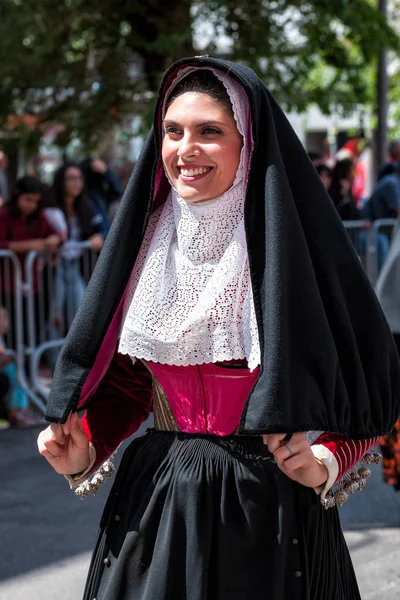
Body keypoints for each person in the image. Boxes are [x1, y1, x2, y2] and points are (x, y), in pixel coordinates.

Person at [37, 58, 400, 600]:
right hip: (158, 501)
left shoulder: (290, 256)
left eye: (210, 132)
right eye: (173, 131)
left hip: (270, 506)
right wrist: (86, 445)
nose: (186, 150)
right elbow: (133, 385)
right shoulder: (145, 246)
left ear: (248, 142)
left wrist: (325, 459)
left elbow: (363, 381)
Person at [46, 163, 104, 368]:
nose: (76, 183)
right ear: (61, 181)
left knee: (78, 312)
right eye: (71, 178)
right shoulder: (51, 206)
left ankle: (73, 362)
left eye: (79, 178)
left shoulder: (87, 204)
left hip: (76, 266)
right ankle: (54, 362)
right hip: (53, 267)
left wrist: (98, 237)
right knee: (55, 314)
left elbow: (102, 229)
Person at [0, 176, 62, 348]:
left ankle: (28, 368)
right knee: (11, 331)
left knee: (32, 328)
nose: (31, 205)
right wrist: (29, 245)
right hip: (8, 285)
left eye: (35, 201)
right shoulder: (4, 215)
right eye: (27, 200)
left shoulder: (38, 216)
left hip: (33, 284)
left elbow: (55, 234)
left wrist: (54, 239)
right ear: (17, 196)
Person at [80, 157, 124, 238]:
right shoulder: (86, 198)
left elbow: (118, 191)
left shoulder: (100, 195)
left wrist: (106, 172)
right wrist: (107, 172)